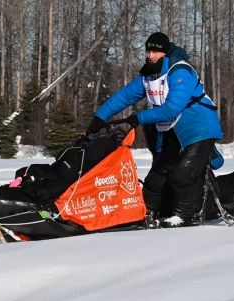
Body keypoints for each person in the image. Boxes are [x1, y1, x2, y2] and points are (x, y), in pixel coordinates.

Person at [86, 32, 224, 227]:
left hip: (199, 130)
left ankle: (184, 216)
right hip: (174, 133)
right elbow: (124, 97)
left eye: (155, 51)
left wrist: (138, 118)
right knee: (156, 178)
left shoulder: (180, 72)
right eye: (148, 51)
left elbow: (170, 109)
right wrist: (99, 118)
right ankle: (143, 213)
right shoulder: (148, 75)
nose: (150, 55)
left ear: (165, 52)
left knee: (182, 175)